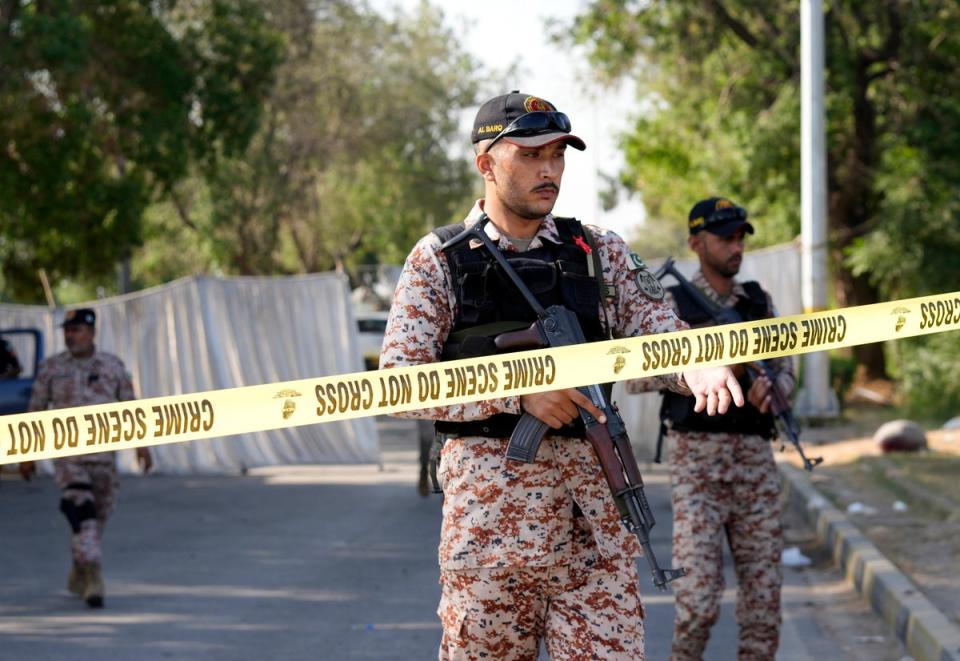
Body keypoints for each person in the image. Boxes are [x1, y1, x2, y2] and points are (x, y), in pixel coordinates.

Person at [380, 91, 745, 660]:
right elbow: (400, 382)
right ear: (486, 164)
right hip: (490, 541)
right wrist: (515, 395)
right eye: (529, 155)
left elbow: (656, 327)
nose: (548, 169)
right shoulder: (440, 258)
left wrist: (697, 362)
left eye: (557, 154)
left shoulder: (597, 251)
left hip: (596, 533)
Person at [650, 197, 793, 660]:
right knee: (697, 605)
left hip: (755, 466)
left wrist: (775, 388)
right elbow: (636, 374)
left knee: (764, 608)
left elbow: (785, 366)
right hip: (698, 468)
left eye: (740, 237)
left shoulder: (757, 301)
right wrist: (701, 370)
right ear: (696, 243)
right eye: (725, 237)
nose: (737, 247)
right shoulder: (670, 305)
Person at [19, 308, 152, 608]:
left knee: (97, 519)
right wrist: (26, 455)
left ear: (91, 332)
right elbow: (36, 410)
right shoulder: (51, 368)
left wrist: (143, 447)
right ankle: (94, 578)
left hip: (104, 458)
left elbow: (131, 408)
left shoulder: (112, 366)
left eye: (77, 329)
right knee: (83, 512)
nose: (70, 335)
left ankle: (80, 569)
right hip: (68, 457)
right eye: (67, 330)